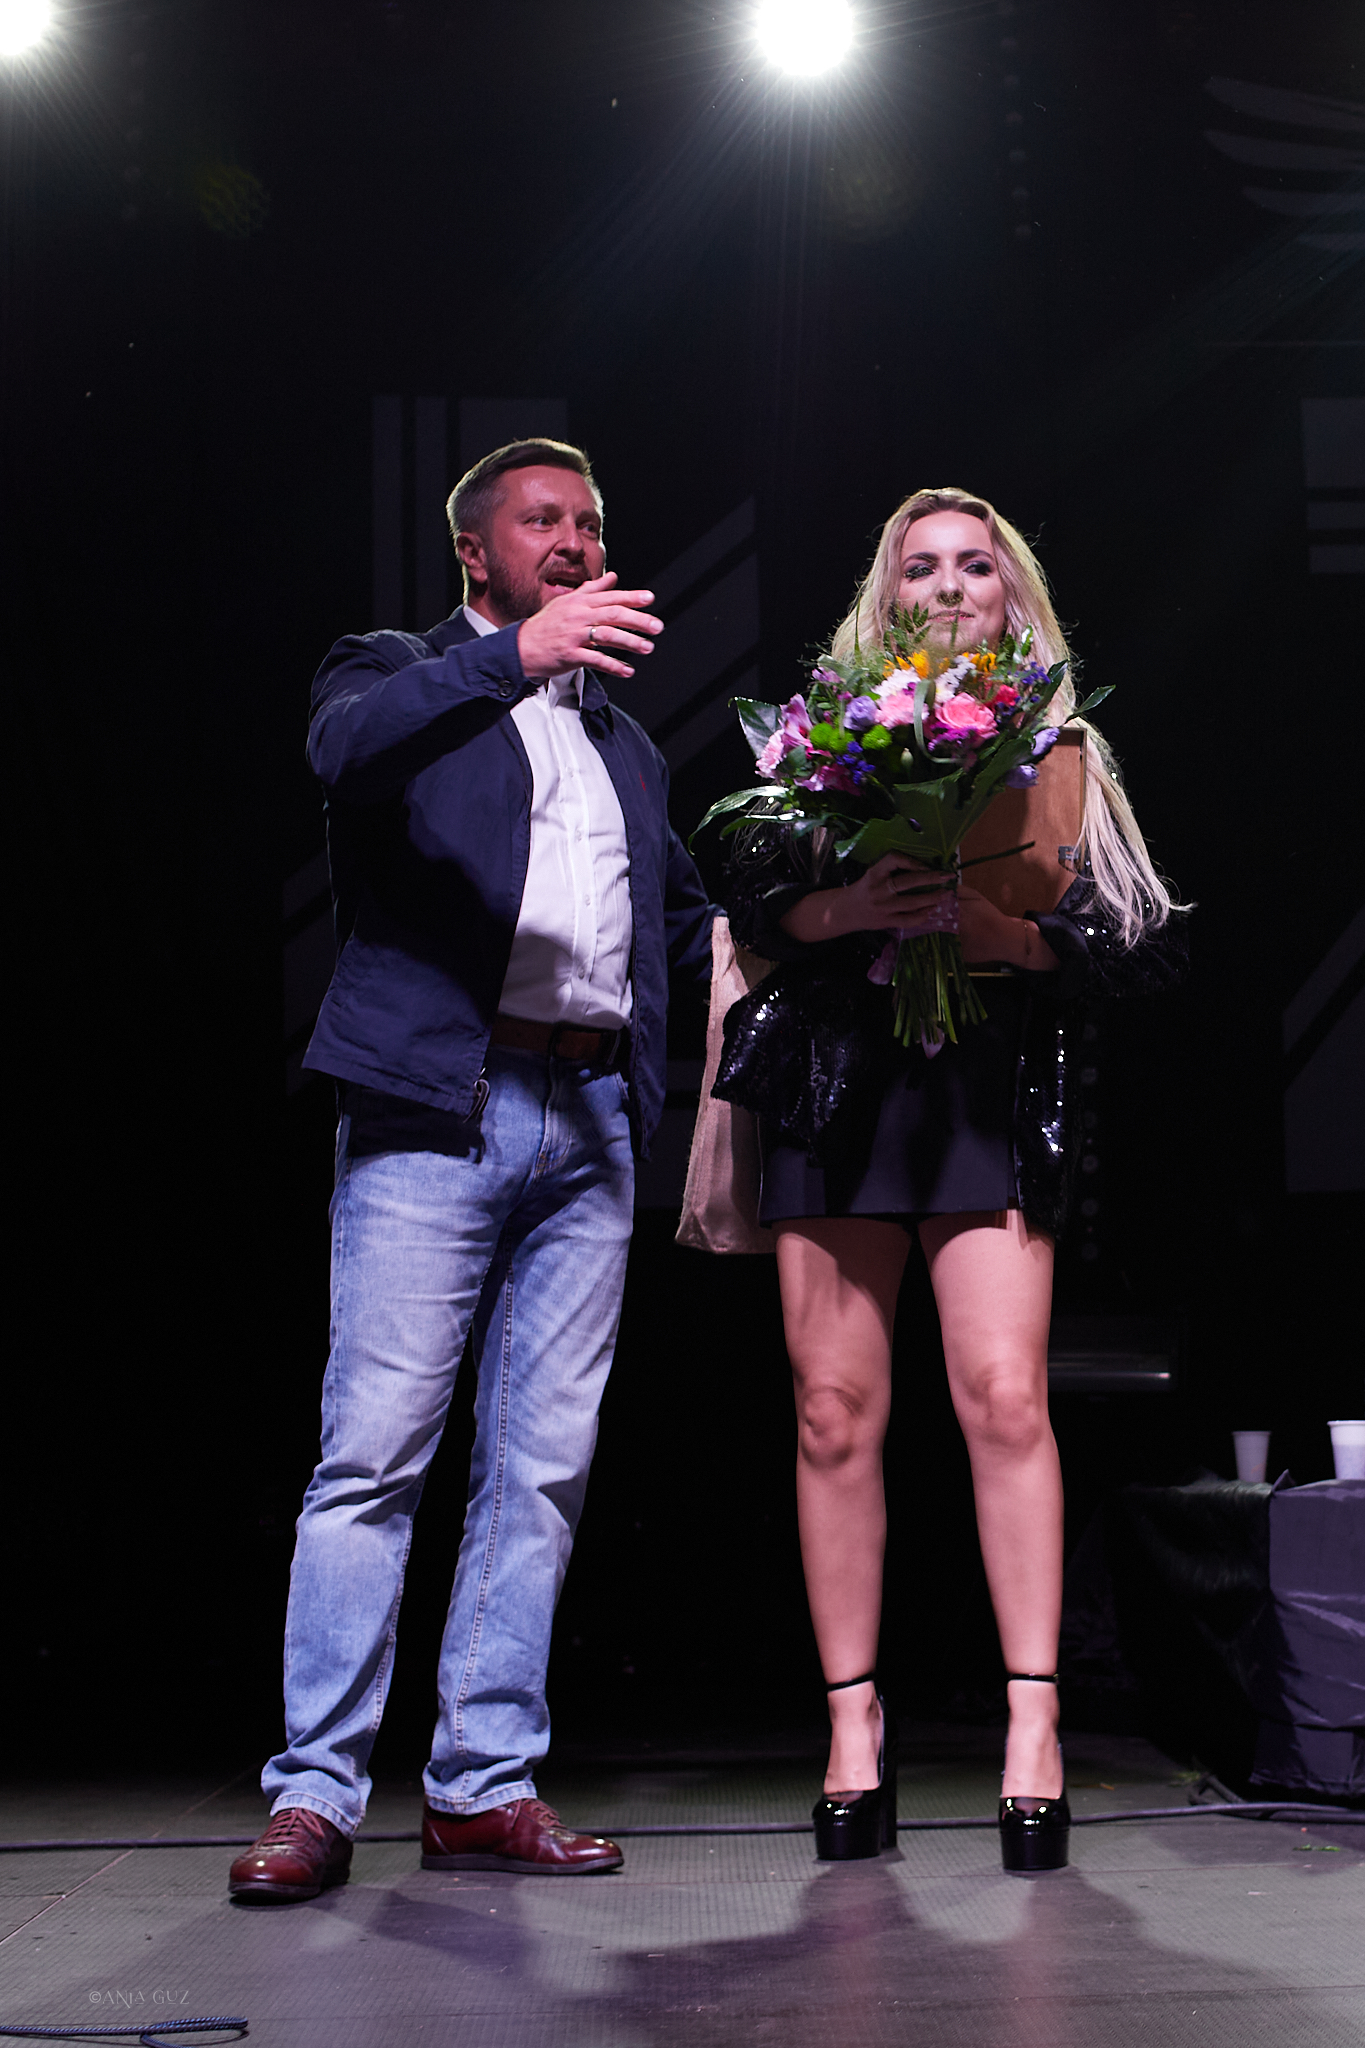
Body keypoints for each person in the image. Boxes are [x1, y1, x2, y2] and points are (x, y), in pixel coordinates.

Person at [229, 439, 716, 1901]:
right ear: (473, 552)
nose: (574, 541)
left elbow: (679, 926)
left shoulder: (624, 745)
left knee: (541, 1469)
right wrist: (511, 659)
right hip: (438, 1106)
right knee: (372, 1456)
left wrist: (836, 910)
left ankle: (481, 1785)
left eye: (591, 523)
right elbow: (342, 754)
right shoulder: (393, 671)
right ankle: (315, 1796)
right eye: (541, 520)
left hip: (590, 1122)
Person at [713, 486, 1185, 1871]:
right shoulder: (822, 739)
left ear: (1012, 596)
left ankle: (1031, 1729)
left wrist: (1008, 936)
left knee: (1002, 1397)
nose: (948, 587)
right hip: (838, 1085)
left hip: (984, 1082)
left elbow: (1141, 948)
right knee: (830, 1411)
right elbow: (745, 895)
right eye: (920, 567)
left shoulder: (1060, 750)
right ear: (887, 595)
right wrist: (840, 906)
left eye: (975, 566)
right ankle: (853, 1730)